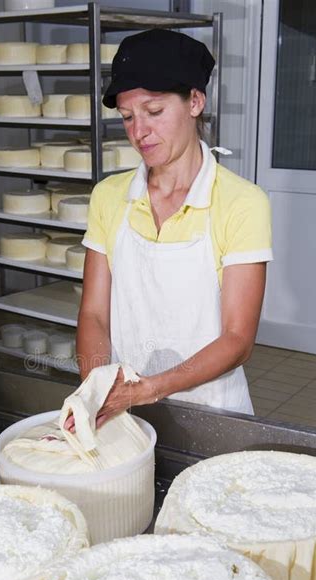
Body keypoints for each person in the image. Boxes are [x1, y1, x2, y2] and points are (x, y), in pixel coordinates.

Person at [70, 28, 272, 430]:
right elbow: (93, 313)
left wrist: (149, 389)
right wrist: (96, 389)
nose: (138, 132)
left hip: (214, 413)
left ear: (195, 101)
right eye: (127, 117)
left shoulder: (241, 202)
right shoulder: (109, 197)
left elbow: (237, 340)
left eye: (154, 111)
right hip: (127, 409)